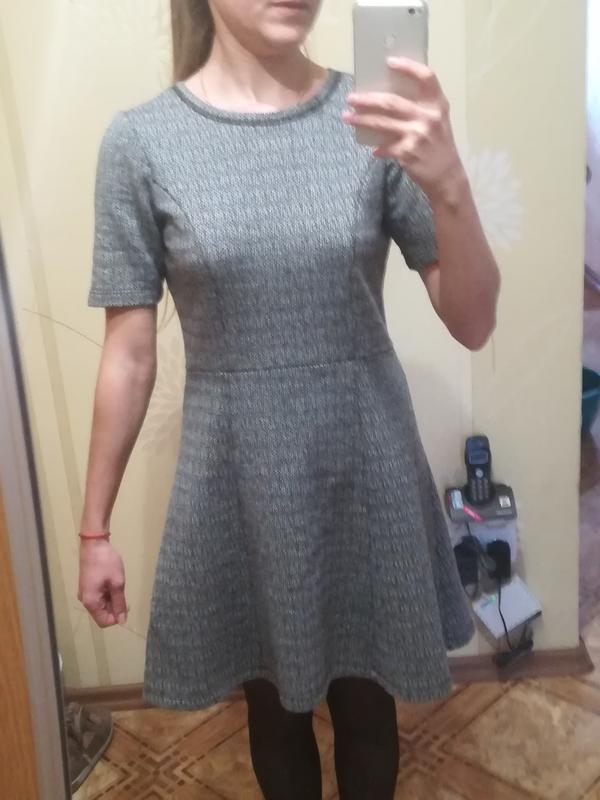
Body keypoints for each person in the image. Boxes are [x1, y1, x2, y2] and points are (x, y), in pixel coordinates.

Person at [77, 1, 500, 797]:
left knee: (369, 707)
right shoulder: (140, 143)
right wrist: (94, 528)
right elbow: (129, 355)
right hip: (241, 483)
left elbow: (473, 322)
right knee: (274, 715)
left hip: (365, 466)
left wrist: (451, 189)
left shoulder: (372, 119)